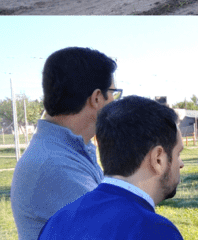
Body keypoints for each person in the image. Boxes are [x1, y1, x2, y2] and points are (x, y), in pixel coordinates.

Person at [38, 96, 185, 240]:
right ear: (158, 159)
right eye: (178, 153)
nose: (181, 163)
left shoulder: (57, 222)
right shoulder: (155, 231)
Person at [10, 47, 120, 240]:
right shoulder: (54, 165)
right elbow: (117, 230)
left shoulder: (70, 151)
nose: (115, 102)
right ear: (96, 98)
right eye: (113, 93)